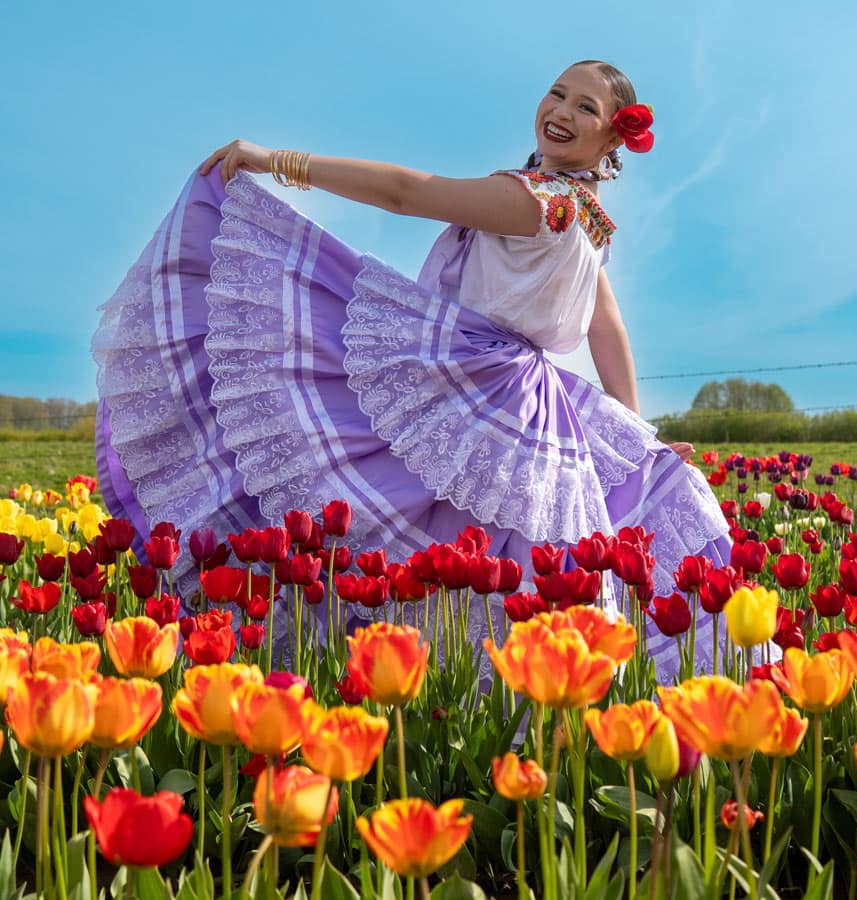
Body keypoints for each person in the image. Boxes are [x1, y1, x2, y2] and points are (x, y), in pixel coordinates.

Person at [92, 60, 730, 682]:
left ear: (613, 136)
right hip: (522, 396)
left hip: (480, 381)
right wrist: (635, 428)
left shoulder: (539, 201)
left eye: (585, 107)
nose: (561, 111)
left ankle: (385, 673)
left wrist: (276, 161)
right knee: (473, 540)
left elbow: (408, 192)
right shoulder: (586, 213)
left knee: (391, 493)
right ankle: (462, 686)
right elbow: (605, 324)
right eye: (557, 93)